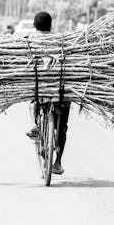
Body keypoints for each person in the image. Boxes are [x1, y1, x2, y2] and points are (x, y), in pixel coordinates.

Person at [26, 11, 70, 175]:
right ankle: (57, 162)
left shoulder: (29, 41)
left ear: (34, 25)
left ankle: (36, 125)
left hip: (39, 89)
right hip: (60, 91)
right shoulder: (60, 41)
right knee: (63, 128)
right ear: (50, 26)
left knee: (33, 102)